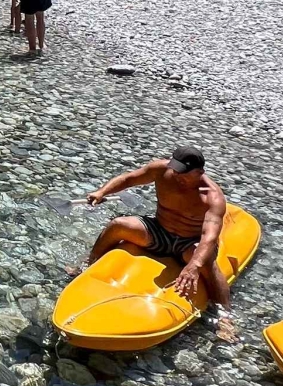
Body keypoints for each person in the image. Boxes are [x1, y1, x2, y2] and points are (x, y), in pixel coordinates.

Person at [76, 147, 238, 342]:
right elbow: (129, 179)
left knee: (204, 261)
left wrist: (194, 265)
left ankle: (225, 317)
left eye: (183, 173)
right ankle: (88, 264)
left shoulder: (212, 197)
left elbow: (209, 237)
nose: (176, 175)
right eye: (175, 169)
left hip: (189, 241)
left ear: (199, 173)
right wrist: (102, 192)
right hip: (159, 230)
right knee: (118, 225)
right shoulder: (162, 170)